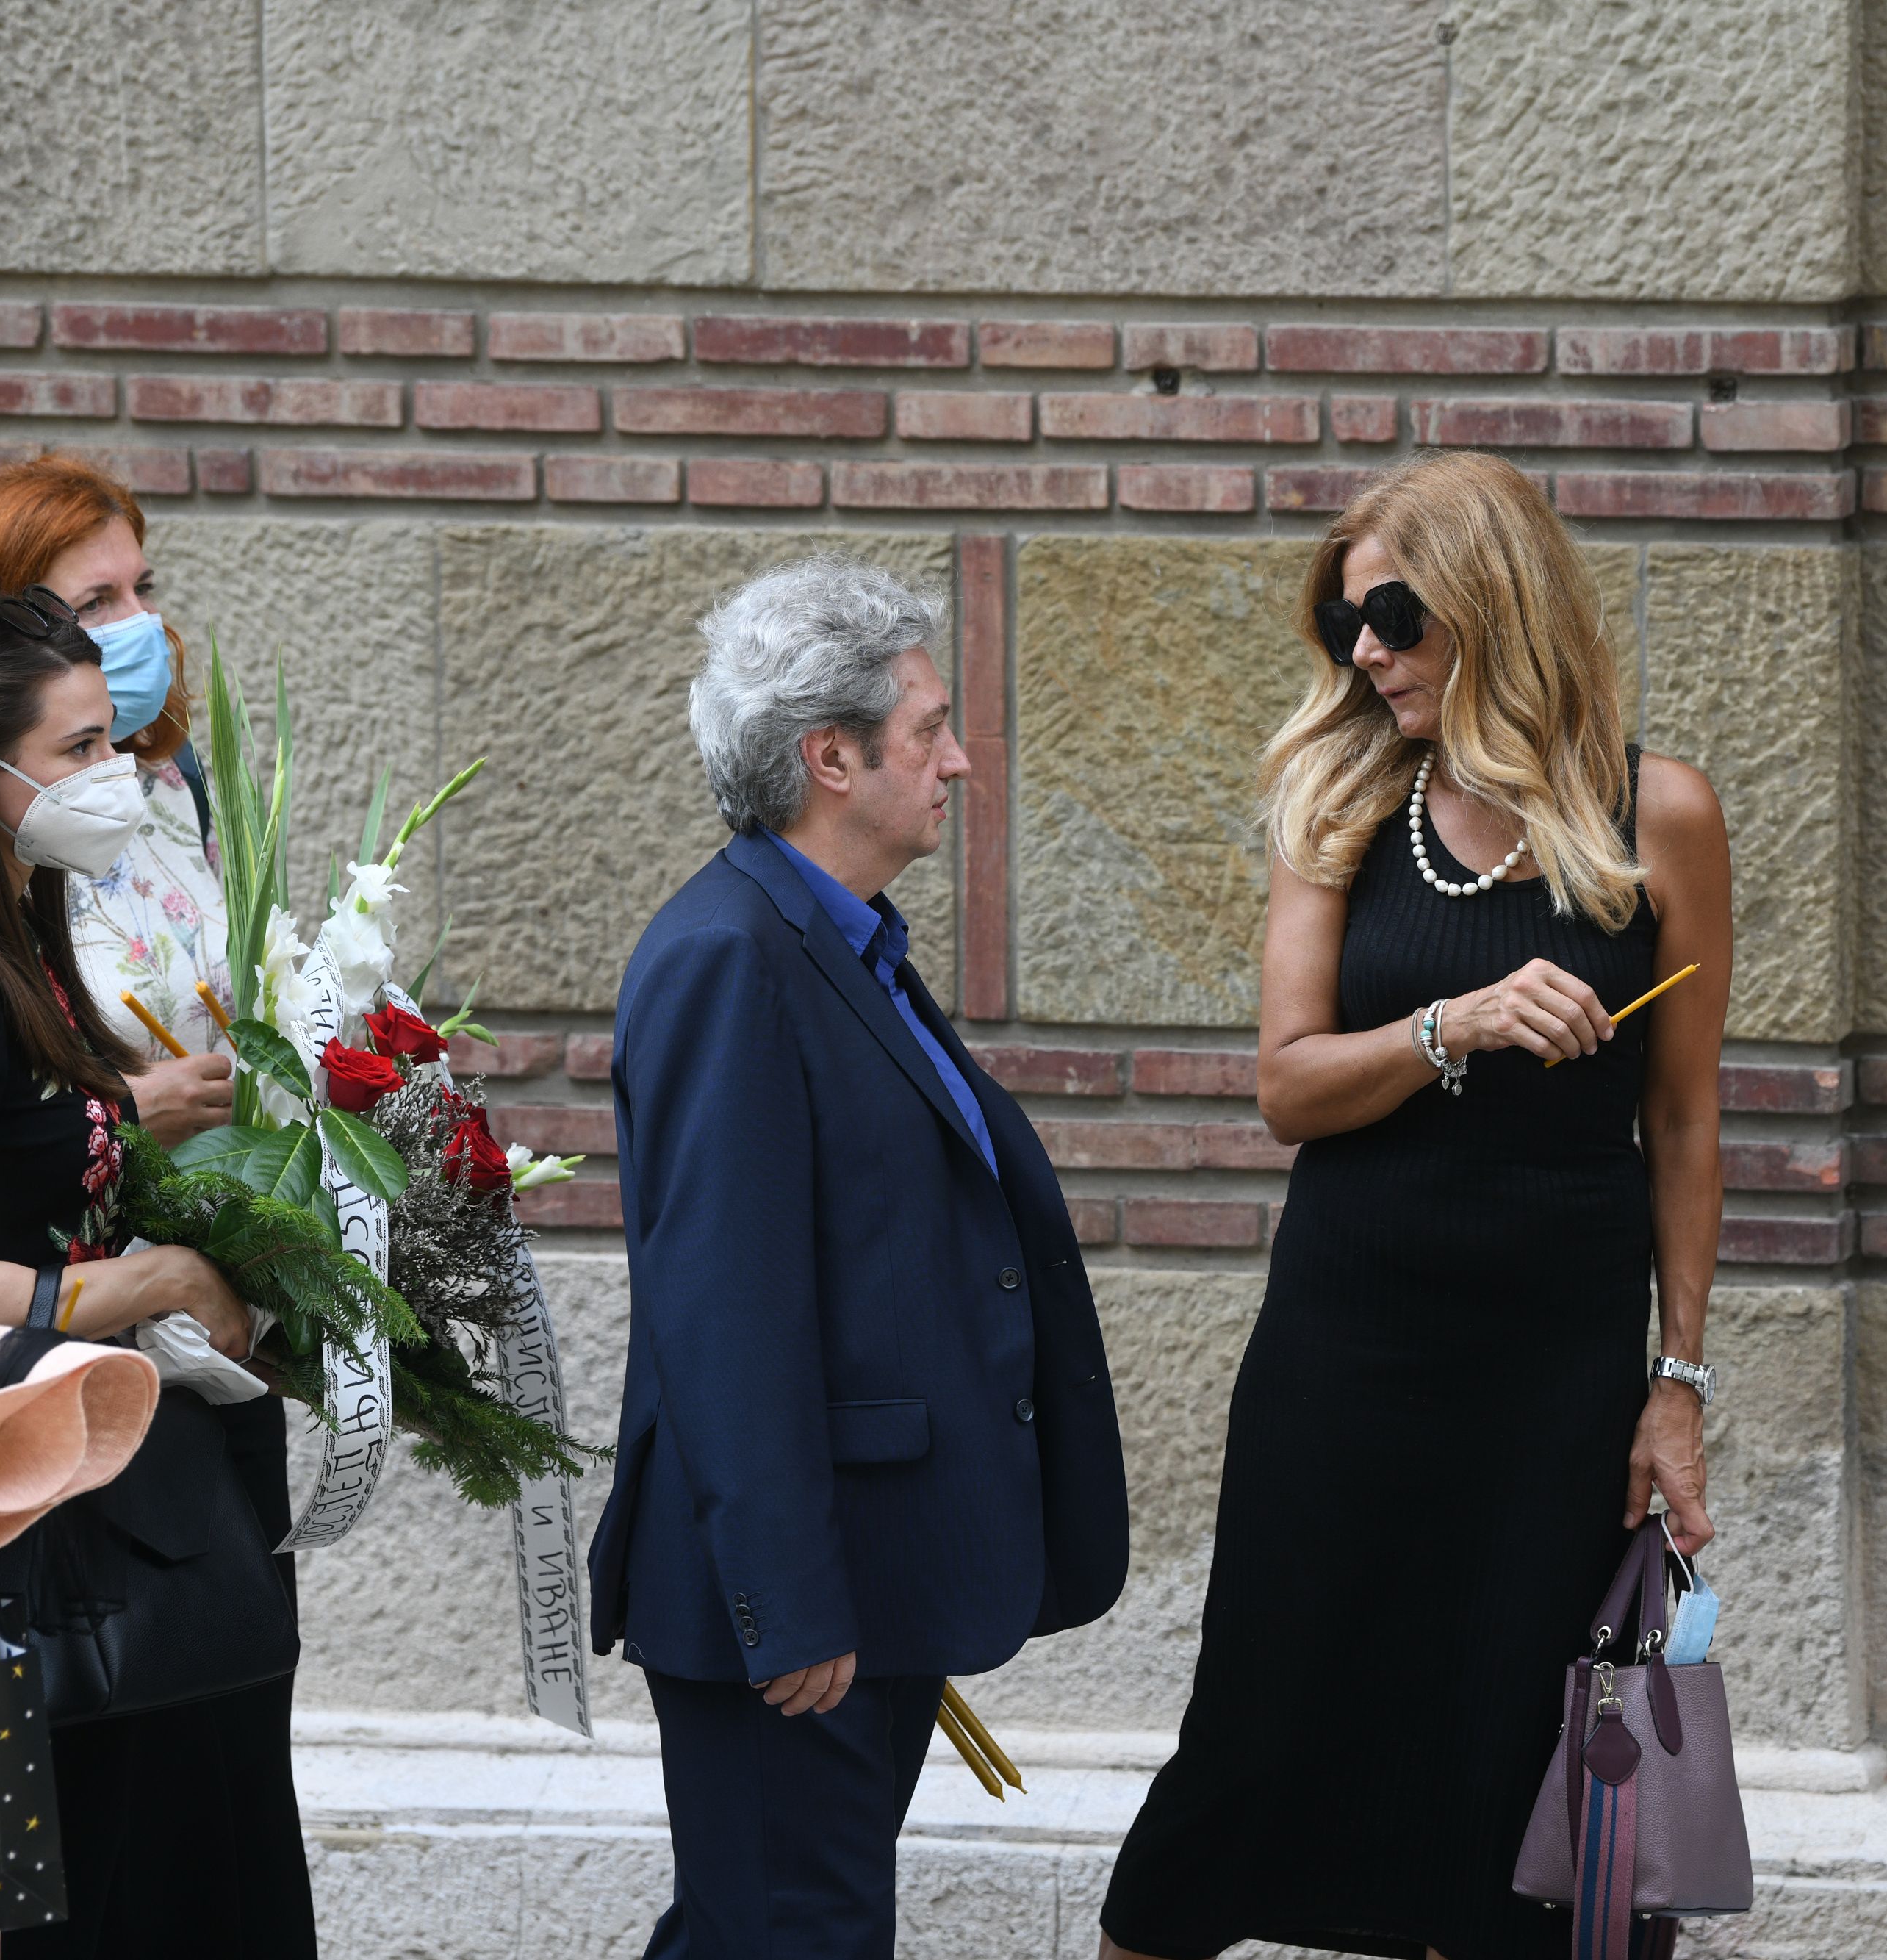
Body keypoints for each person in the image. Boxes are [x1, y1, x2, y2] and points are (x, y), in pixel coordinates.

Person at [1101, 450, 1734, 1960]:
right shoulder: (1338, 799)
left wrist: (1678, 1382)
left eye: (1392, 616)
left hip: (1556, 1371)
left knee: (1510, 1745)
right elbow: (1286, 1085)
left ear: (1493, 603)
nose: (1364, 653)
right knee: (1256, 1725)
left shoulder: (1661, 817)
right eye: (1343, 626)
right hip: (1349, 1347)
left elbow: (1687, 1115)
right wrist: (1449, 1024)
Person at [592, 556, 1129, 1959]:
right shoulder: (731, 956)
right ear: (831, 756)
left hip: (873, 1585)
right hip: (795, 1609)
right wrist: (790, 1599)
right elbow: (725, 1312)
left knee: (756, 1934)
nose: (959, 761)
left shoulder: (840, 938)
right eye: (931, 728)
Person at [0, 589, 317, 1959]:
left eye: (109, 742)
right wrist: (164, 1279)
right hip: (39, 1552)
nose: (108, 778)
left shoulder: (34, 948)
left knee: (202, 1869)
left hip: (129, 1507)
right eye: (70, 752)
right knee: (93, 1893)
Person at [0, 455, 232, 1146]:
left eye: (143, 587)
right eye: (97, 602)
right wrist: (118, 1115)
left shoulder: (169, 778)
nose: (143, 623)